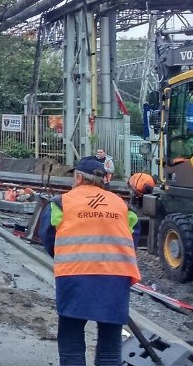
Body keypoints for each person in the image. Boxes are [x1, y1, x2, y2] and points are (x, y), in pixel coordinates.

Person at [39, 156, 141, 366]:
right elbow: (133, 238)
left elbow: (48, 239)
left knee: (71, 340)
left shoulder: (61, 203)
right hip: (116, 279)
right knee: (110, 349)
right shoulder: (123, 206)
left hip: (75, 276)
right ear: (103, 180)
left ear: (78, 178)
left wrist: (69, 257)